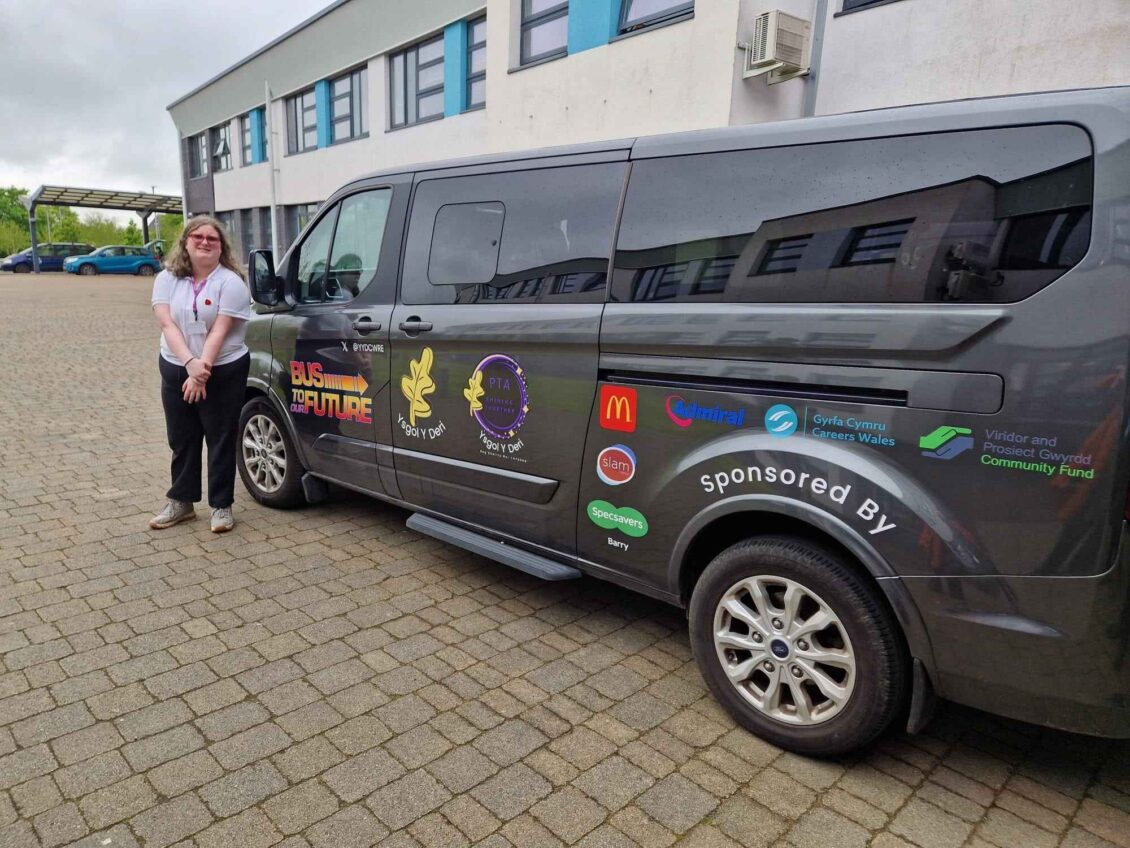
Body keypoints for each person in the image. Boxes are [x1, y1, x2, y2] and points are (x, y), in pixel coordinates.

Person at [149, 216, 251, 533]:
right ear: (185, 243)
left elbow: (220, 331)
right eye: (198, 237)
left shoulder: (231, 282)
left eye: (212, 238)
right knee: (182, 437)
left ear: (221, 247)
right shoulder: (167, 278)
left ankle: (221, 506)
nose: (205, 242)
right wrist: (189, 363)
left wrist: (200, 371)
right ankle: (182, 502)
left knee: (220, 437)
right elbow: (166, 323)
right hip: (176, 365)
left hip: (223, 368)